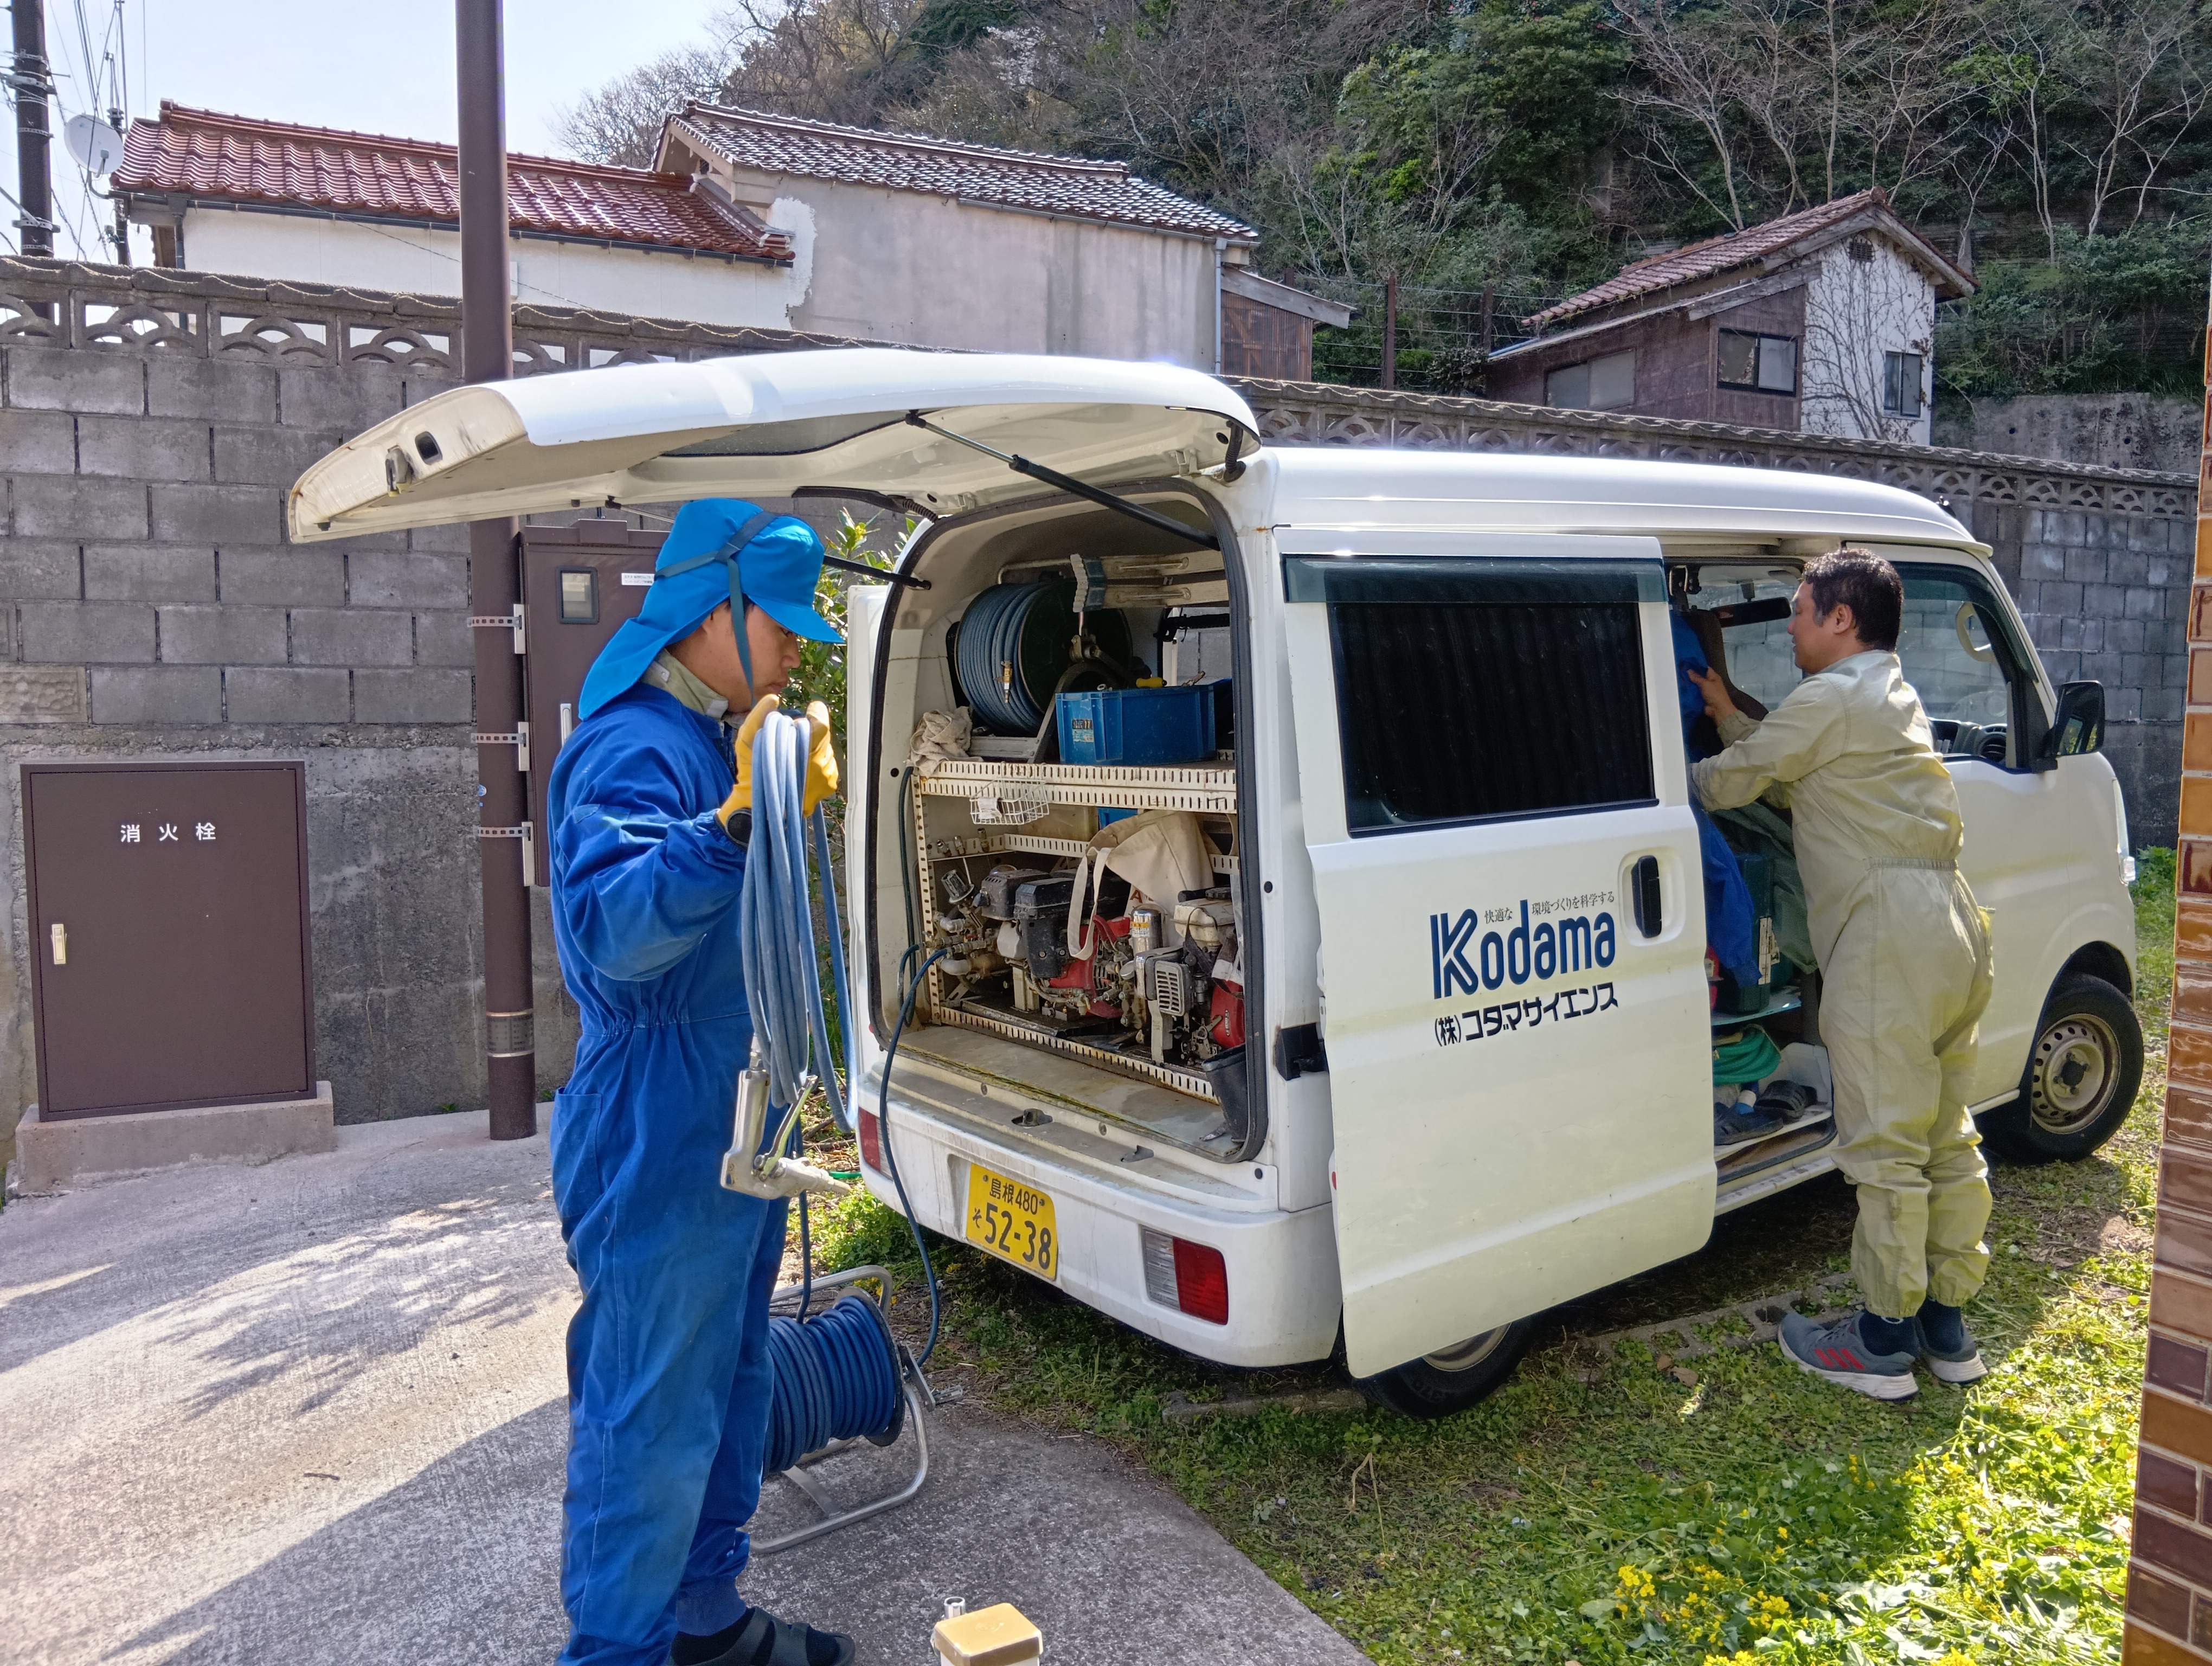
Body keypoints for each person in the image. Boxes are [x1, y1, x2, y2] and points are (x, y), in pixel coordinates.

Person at [545, 498, 853, 1666]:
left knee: (726, 1379)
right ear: (711, 612)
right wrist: (729, 827)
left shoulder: (716, 733)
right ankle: (616, 1653)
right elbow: (613, 929)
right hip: (659, 1115)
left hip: (734, 1106)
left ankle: (705, 1623)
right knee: (648, 1409)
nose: (793, 652)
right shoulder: (636, 746)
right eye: (777, 626)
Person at [1686, 549, 1996, 1402]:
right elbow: (1802, 786)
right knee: (1946, 1132)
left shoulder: (1829, 697)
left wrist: (1653, 784)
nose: (1788, 626)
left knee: (1885, 1143)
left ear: (1841, 619)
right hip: (1952, 924)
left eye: (1798, 608)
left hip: (1887, 936)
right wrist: (1728, 713)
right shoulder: (1889, 694)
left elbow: (1731, 786)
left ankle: (1881, 1342)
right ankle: (1945, 1326)